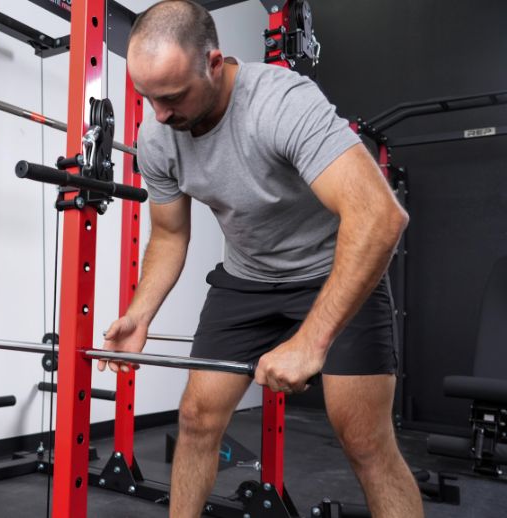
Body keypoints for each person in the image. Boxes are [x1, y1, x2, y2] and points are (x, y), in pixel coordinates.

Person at [97, 1, 422, 517]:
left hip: (332, 272)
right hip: (245, 280)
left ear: (214, 62)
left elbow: (380, 217)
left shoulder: (281, 103)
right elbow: (169, 235)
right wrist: (140, 315)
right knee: (197, 419)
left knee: (365, 440)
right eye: (148, 97)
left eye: (173, 96)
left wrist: (311, 342)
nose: (159, 114)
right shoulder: (158, 137)